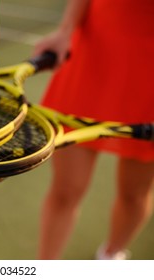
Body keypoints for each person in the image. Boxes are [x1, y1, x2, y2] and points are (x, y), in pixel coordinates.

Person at [33, 0, 154, 260]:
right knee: (66, 189)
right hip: (93, 53)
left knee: (135, 193)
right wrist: (65, 30)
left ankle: (111, 256)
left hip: (149, 78)